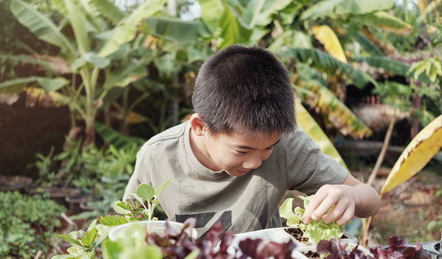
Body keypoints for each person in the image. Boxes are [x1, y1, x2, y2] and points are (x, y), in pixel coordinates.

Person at [123, 44, 380, 238]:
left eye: (268, 148)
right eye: (242, 150)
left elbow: (370, 198)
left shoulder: (288, 145)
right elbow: (127, 228)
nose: (256, 161)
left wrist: (350, 196)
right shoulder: (157, 156)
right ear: (200, 127)